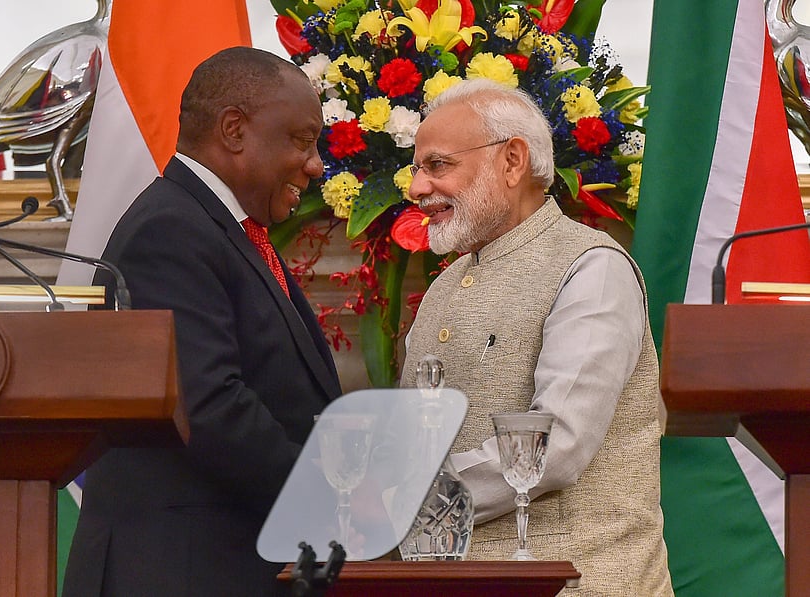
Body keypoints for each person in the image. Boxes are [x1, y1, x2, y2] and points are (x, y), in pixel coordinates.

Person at [63, 47, 342, 597]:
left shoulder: (217, 227)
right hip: (179, 572)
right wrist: (334, 495)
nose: (315, 165)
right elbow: (208, 406)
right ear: (234, 130)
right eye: (301, 140)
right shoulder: (169, 231)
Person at [400, 78, 674, 595]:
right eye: (416, 169)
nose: (417, 188)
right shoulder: (444, 287)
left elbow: (556, 445)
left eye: (437, 165)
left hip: (579, 583)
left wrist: (400, 498)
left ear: (512, 161)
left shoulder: (592, 268)